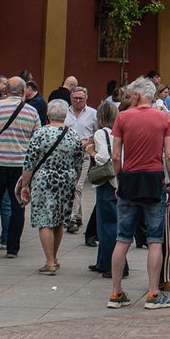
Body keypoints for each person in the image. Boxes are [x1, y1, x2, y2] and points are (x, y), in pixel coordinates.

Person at [107, 77, 170, 309]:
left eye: (130, 95)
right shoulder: (163, 117)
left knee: (122, 238)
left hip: (129, 179)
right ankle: (153, 293)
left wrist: (119, 180)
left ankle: (116, 292)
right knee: (155, 239)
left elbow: (116, 155)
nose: (128, 98)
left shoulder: (123, 118)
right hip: (153, 180)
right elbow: (169, 155)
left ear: (137, 95)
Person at [17, 98, 84, 276]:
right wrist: (73, 180)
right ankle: (54, 257)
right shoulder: (73, 135)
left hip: (44, 180)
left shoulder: (40, 134)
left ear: (48, 115)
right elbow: (79, 163)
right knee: (59, 220)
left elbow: (29, 162)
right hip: (66, 179)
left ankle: (49, 262)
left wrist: (25, 185)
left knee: (44, 220)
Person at [0, 77, 41, 259]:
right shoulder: (32, 112)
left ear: (5, 91)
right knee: (17, 206)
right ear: (23, 92)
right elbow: (37, 140)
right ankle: (12, 249)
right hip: (20, 166)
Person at [86, 98, 122, 278]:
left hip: (106, 182)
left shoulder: (101, 133)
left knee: (107, 226)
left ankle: (111, 265)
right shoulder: (119, 132)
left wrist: (91, 151)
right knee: (108, 224)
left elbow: (103, 157)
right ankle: (103, 262)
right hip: (117, 180)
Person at [62, 86, 97, 235]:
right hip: (66, 155)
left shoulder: (93, 114)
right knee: (70, 185)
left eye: (81, 98)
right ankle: (79, 215)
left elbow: (98, 133)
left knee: (77, 186)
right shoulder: (64, 113)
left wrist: (89, 141)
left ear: (86, 99)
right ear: (71, 98)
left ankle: (72, 218)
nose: (77, 101)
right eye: (75, 98)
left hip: (84, 155)